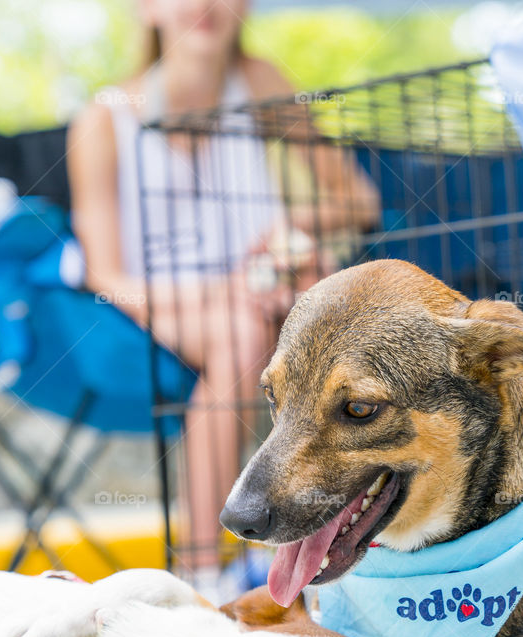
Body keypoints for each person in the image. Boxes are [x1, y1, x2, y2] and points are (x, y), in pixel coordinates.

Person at [68, 0, 379, 590]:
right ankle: (203, 571)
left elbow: (356, 201)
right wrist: (226, 287)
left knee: (335, 306)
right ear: (146, 9)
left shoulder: (260, 82)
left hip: (264, 284)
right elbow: (106, 274)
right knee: (243, 334)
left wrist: (288, 238)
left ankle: (357, 541)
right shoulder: (104, 118)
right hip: (160, 295)